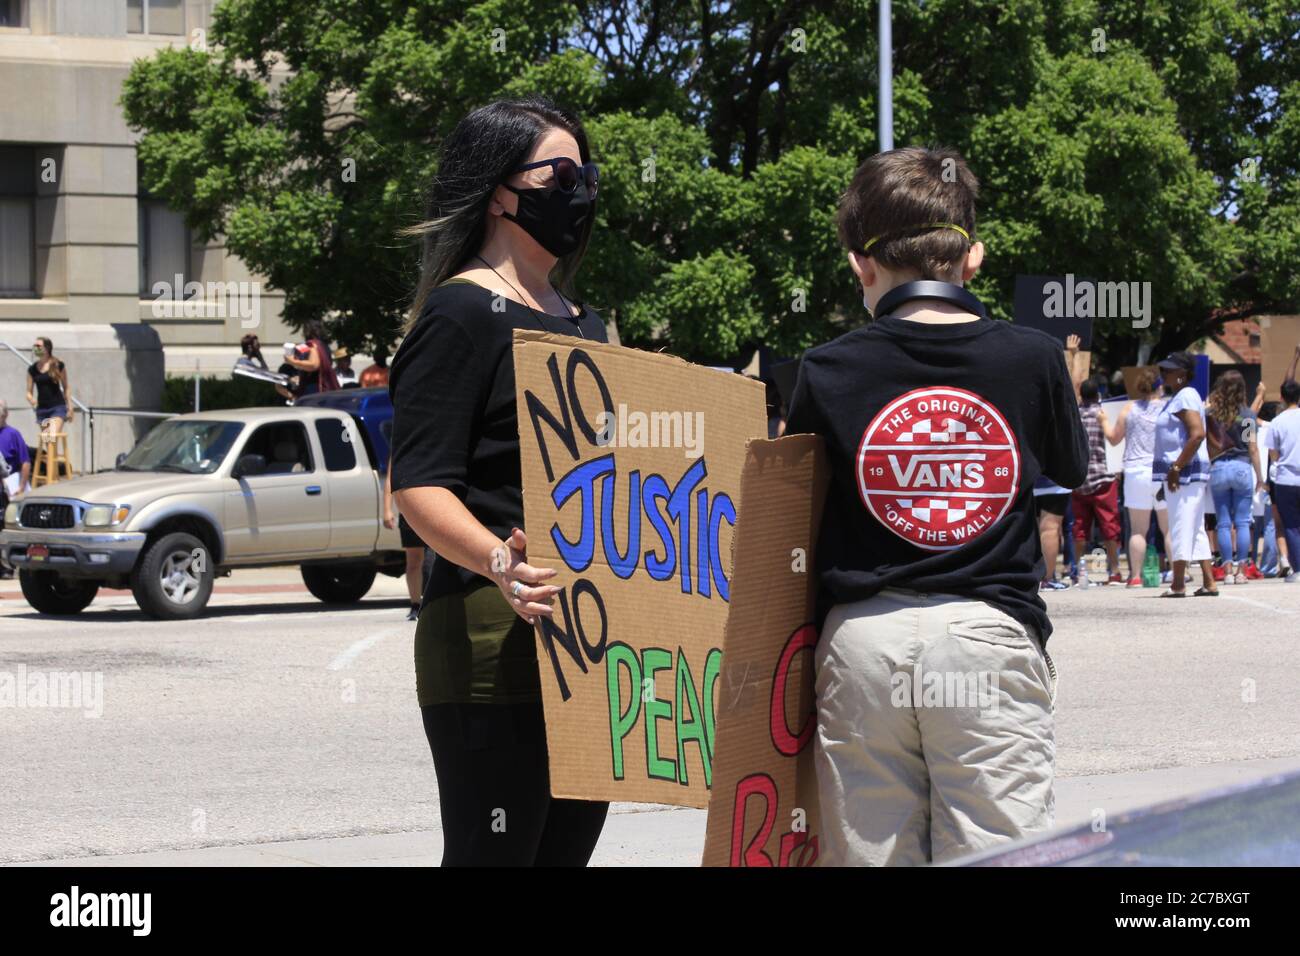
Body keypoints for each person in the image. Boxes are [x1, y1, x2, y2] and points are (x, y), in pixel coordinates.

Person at [785, 146, 1088, 866]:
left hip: (863, 641)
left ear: (862, 265)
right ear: (972, 259)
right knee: (999, 853)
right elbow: (1070, 469)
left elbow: (790, 510)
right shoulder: (1032, 356)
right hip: (986, 632)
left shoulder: (827, 368)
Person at [388, 97, 609, 866]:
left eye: (587, 175)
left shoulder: (586, 323)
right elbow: (417, 484)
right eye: (560, 174)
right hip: (491, 640)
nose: (579, 192)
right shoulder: (461, 314)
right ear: (498, 191)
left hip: (586, 641)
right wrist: (500, 562)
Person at [1151, 351, 1218, 597]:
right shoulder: (1180, 397)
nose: (1163, 374)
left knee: (1180, 525)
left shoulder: (1185, 396)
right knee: (1195, 527)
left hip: (1184, 474)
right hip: (1186, 473)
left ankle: (1178, 583)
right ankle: (1209, 582)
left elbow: (1197, 434)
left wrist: (1176, 468)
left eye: (1169, 370)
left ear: (1183, 374)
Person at [1103, 366, 1170, 586]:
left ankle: (1135, 576)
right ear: (1159, 386)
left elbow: (1113, 438)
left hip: (1134, 471)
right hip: (1160, 471)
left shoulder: (1129, 409)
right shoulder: (1166, 408)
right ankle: (1177, 572)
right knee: (1167, 528)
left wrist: (1103, 421)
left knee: (1138, 530)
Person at [1205, 370, 1263, 584]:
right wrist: (1260, 477)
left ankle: (1227, 570)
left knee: (1222, 523)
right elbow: (1253, 448)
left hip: (1218, 468)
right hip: (1241, 467)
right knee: (1242, 522)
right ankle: (1241, 571)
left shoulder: (1211, 414)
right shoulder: (1248, 415)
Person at [1073, 378, 1122, 583]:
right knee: (1109, 525)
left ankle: (1077, 569)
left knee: (1080, 526)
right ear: (1097, 395)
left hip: (1079, 478)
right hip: (1103, 476)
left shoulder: (1074, 415)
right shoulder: (1104, 414)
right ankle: (1114, 570)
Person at [1264, 378, 1300, 583]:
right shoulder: (1248, 418)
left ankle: (1294, 566)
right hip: (1245, 469)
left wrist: (1261, 476)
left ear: (1282, 398)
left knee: (1290, 525)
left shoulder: (1273, 422)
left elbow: (1270, 452)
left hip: (1285, 478)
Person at [384, 461, 427, 620]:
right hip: (411, 510)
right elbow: (390, 478)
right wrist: (387, 510)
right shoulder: (402, 440)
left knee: (443, 558)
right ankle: (415, 605)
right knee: (414, 561)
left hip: (436, 506)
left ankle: (439, 602)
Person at [1252, 401, 1282, 577]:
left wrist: (1258, 396)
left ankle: (1249, 563)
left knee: (1251, 526)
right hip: (1271, 478)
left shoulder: (1250, 426)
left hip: (1253, 477)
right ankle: (1268, 567)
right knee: (1271, 525)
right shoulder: (1277, 426)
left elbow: (1249, 416)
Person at [26, 337, 72, 435]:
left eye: (38, 346)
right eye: (34, 346)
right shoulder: (32, 369)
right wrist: (31, 400)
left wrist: (70, 407)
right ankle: (52, 451)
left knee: (52, 436)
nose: (35, 348)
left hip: (57, 407)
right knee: (49, 443)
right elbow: (29, 392)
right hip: (42, 410)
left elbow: (66, 387)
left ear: (47, 348)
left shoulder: (58, 365)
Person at [284, 319, 340, 397]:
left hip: (315, 388)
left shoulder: (313, 345)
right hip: (325, 386)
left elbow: (314, 364)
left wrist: (292, 361)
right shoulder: (323, 346)